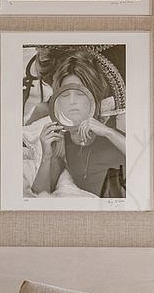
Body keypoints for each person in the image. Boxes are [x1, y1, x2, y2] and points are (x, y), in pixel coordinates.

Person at [30, 53, 126, 197]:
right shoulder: (61, 139)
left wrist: (108, 132)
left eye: (80, 93)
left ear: (92, 94)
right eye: (65, 94)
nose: (72, 101)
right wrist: (47, 156)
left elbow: (146, 159)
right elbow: (39, 194)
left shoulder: (114, 122)